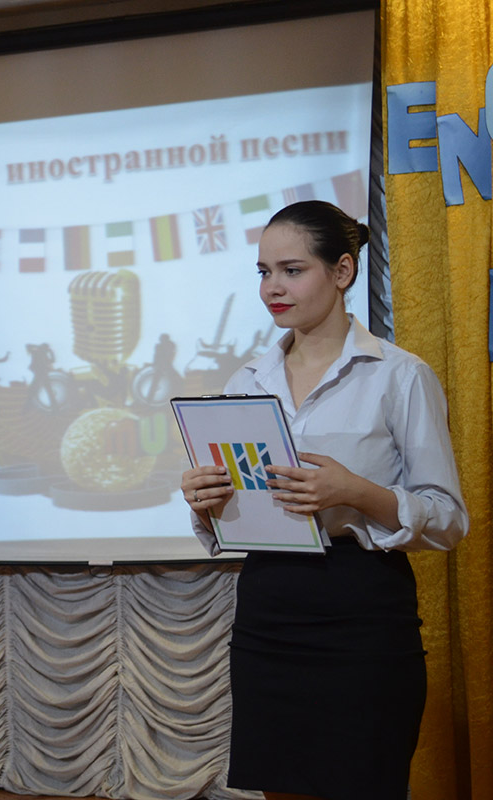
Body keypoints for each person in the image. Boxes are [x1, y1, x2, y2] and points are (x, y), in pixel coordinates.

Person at [179, 201, 467, 800]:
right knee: (280, 786)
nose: (273, 288)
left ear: (342, 272)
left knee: (364, 783)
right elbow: (236, 513)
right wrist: (205, 502)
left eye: (292, 270)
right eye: (264, 272)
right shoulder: (245, 381)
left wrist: (355, 492)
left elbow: (447, 518)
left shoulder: (399, 375)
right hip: (268, 607)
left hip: (362, 607)